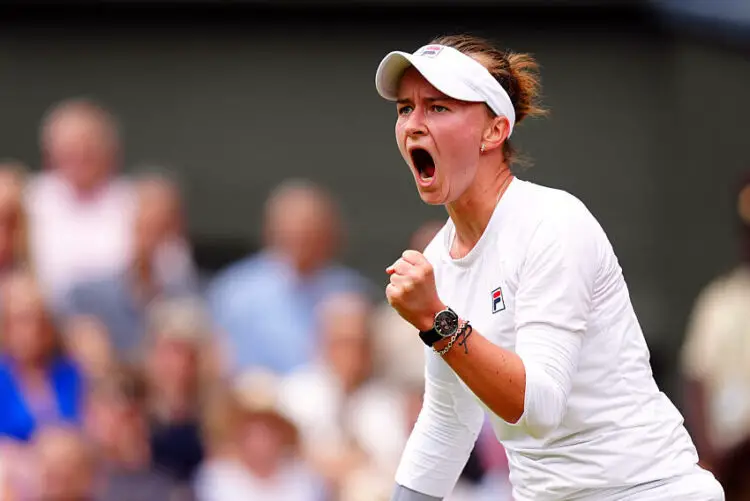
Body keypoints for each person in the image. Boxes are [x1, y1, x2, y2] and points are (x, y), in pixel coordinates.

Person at [374, 34, 725, 501]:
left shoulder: (553, 222)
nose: (414, 125)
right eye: (405, 109)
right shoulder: (440, 259)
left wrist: (435, 321)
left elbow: (538, 407)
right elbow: (447, 422)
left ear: (494, 131)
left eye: (438, 107)